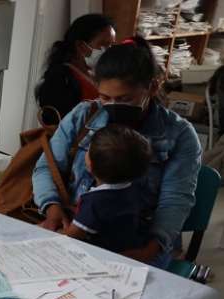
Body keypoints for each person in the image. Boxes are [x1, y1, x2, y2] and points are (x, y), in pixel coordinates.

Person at [33, 37, 202, 268]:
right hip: (76, 224)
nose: (112, 105)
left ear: (152, 87)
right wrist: (51, 208)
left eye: (124, 98)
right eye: (104, 97)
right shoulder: (84, 115)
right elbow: (46, 167)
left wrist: (149, 250)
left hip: (137, 239)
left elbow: (174, 201)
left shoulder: (179, 134)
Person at [64, 124, 152, 254]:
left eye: (88, 149)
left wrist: (58, 229)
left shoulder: (94, 202)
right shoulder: (135, 190)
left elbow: (72, 236)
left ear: (90, 165)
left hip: (102, 257)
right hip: (130, 249)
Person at [35, 14, 116, 124]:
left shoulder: (96, 75)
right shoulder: (61, 79)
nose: (109, 51)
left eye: (111, 46)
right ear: (81, 46)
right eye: (103, 45)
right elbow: (57, 124)